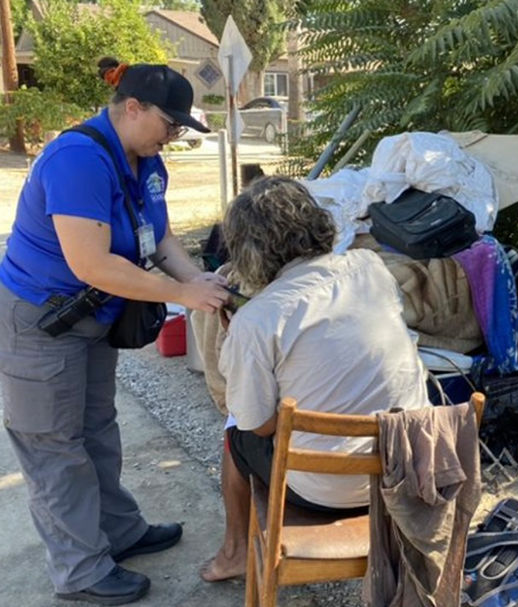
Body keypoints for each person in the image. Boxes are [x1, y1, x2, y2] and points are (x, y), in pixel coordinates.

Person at [0, 58, 230, 604]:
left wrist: (195, 277)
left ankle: (118, 532)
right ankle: (81, 570)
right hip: (40, 320)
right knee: (55, 445)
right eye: (169, 124)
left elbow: (161, 235)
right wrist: (181, 295)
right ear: (133, 107)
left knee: (97, 428)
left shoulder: (145, 159)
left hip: (94, 316)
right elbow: (93, 264)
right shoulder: (77, 159)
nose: (174, 136)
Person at [200, 176, 431, 581]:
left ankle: (234, 552)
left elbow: (259, 424)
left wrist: (236, 339)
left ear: (246, 251)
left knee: (235, 429)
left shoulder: (256, 319)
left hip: (328, 492)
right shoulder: (370, 267)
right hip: (405, 469)